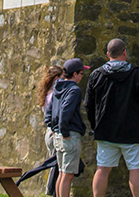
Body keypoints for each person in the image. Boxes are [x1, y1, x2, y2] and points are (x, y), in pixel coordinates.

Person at [84, 38, 139, 197]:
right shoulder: (138, 75)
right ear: (125, 52)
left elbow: (88, 104)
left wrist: (95, 125)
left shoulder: (96, 75)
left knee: (102, 169)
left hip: (105, 130)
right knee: (136, 170)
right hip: (133, 130)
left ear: (107, 54)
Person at [45, 58, 89, 197]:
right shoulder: (74, 90)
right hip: (68, 135)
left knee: (62, 173)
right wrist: (64, 132)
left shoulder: (58, 87)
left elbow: (49, 112)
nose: (82, 76)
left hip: (57, 134)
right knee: (68, 175)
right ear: (75, 74)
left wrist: (54, 129)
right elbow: (65, 111)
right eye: (81, 73)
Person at [37, 65, 63, 196]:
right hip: (53, 131)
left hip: (49, 131)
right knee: (56, 166)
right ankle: (51, 192)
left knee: (55, 165)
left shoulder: (46, 93)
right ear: (57, 78)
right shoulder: (53, 95)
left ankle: (53, 192)